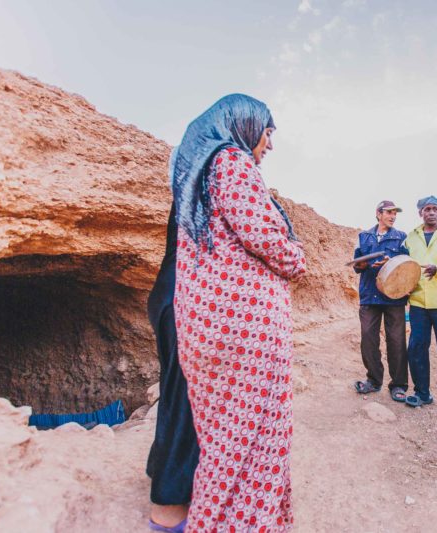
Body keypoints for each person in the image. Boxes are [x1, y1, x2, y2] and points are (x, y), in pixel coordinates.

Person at [172, 94, 307, 531]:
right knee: (245, 445)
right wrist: (297, 257)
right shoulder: (231, 161)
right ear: (246, 125)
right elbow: (264, 236)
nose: (270, 144)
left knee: (225, 441)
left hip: (212, 327)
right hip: (243, 332)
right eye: (268, 132)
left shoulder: (200, 173)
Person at [146, 202, 201, 533]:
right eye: (265, 143)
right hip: (186, 300)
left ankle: (159, 466)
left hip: (172, 294)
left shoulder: (194, 168)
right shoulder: (217, 165)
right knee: (187, 403)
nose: (270, 146)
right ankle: (168, 510)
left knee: (175, 394)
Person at [403, 196, 437, 412]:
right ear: (420, 213)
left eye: (435, 209)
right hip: (417, 302)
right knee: (417, 347)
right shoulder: (410, 238)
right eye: (427, 209)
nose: (432, 212)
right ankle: (422, 393)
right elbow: (405, 267)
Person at [352, 200, 409, 402]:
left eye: (395, 213)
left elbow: (407, 265)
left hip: (394, 296)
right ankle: (374, 380)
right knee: (368, 338)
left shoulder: (402, 237)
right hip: (369, 295)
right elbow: (356, 264)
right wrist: (365, 263)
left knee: (396, 341)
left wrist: (390, 262)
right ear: (378, 214)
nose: (393, 216)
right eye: (389, 212)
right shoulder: (363, 236)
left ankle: (399, 384)